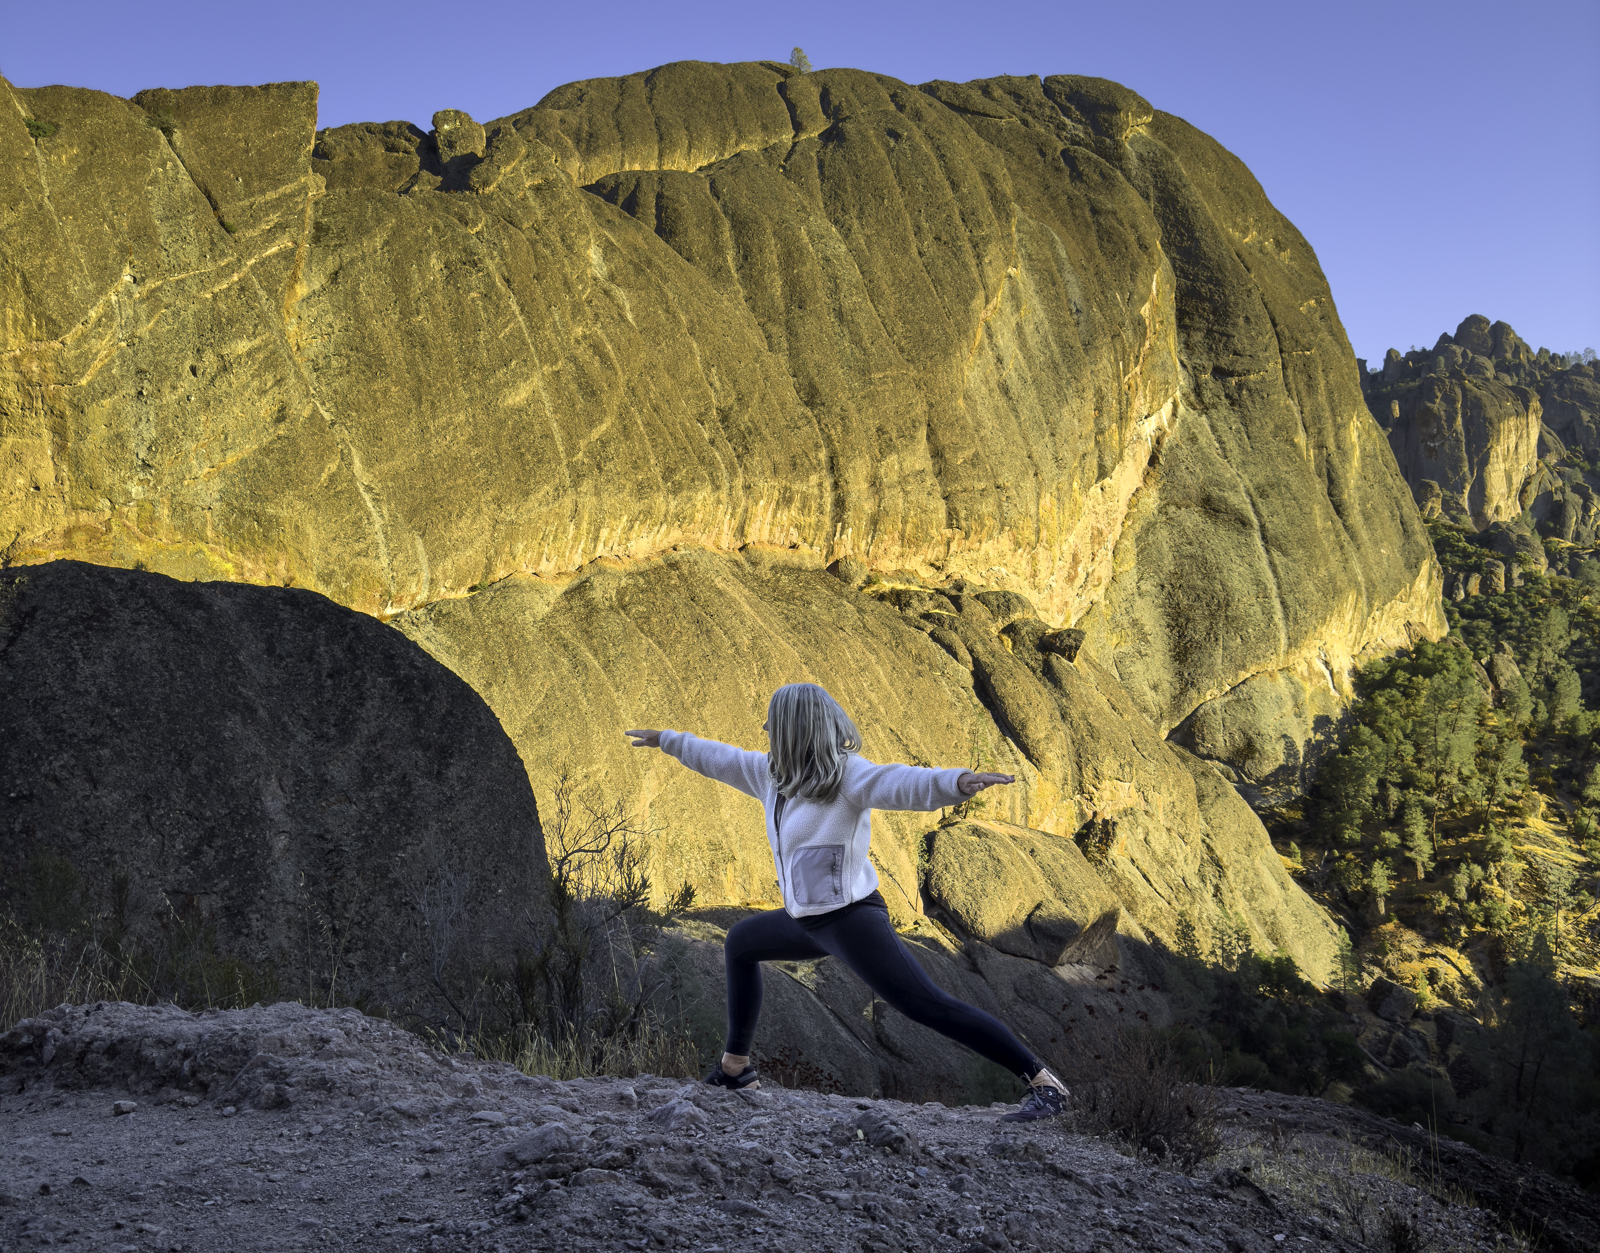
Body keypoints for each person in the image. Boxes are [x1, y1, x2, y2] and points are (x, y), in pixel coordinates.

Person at [625, 681, 1070, 1122]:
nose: (765, 729)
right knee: (741, 942)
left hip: (852, 921)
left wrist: (955, 782)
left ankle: (1044, 1083)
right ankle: (735, 1070)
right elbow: (719, 758)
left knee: (926, 1005)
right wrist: (668, 740)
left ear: (795, 728)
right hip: (806, 920)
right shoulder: (771, 776)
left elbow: (900, 781)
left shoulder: (847, 775)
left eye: (773, 722)